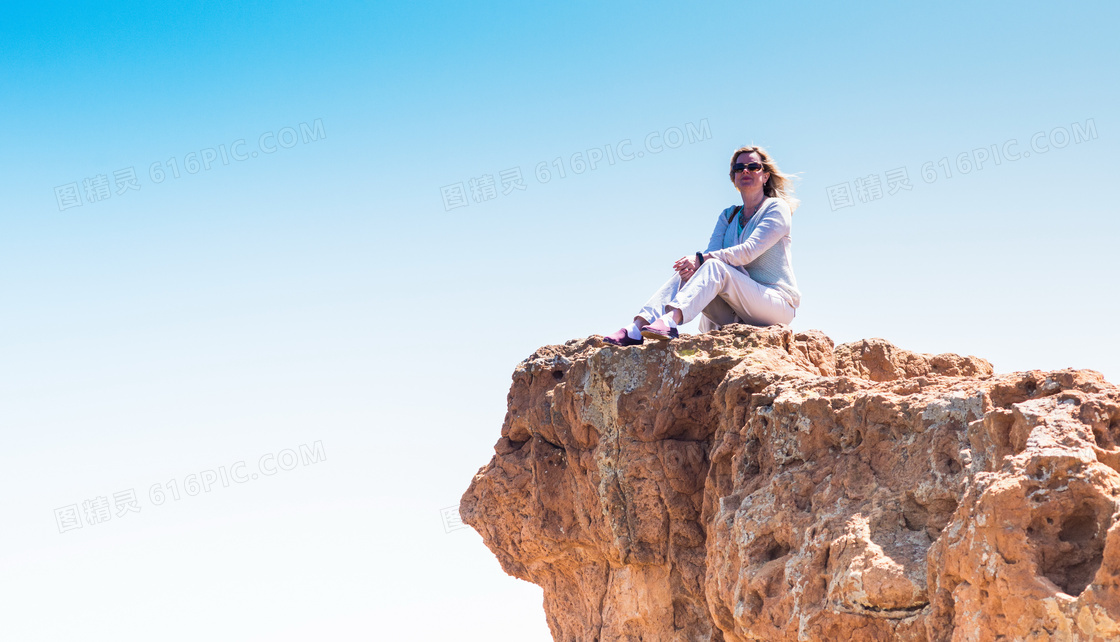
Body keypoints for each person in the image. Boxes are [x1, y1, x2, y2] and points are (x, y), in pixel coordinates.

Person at [602, 145, 801, 345]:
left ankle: (671, 320)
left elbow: (748, 252)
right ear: (733, 177)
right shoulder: (728, 215)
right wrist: (693, 268)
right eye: (739, 168)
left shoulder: (776, 208)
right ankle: (636, 328)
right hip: (737, 310)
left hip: (775, 305)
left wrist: (698, 260)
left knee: (708, 264)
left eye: (753, 166)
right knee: (689, 271)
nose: (745, 171)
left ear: (765, 175)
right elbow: (710, 257)